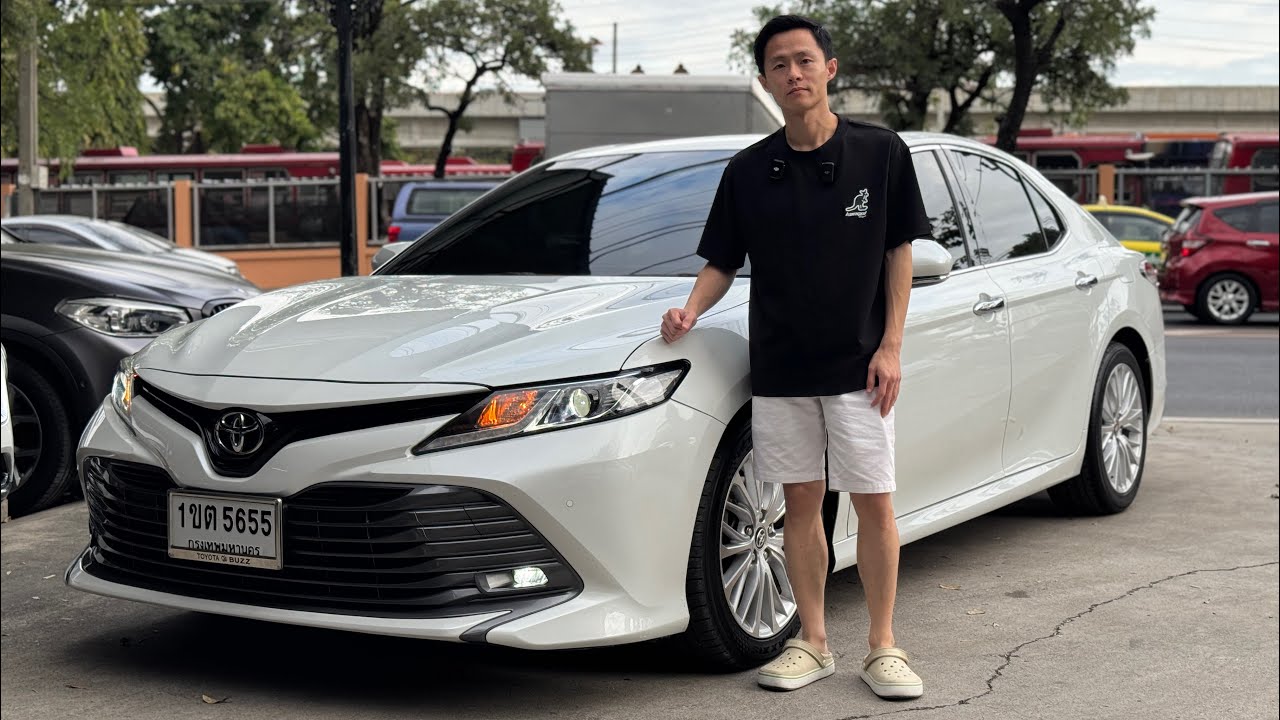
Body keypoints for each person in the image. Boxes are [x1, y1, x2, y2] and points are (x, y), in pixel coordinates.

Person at [660, 14, 931, 700]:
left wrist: (893, 345)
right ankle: (811, 641)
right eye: (779, 65)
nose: (794, 74)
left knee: (875, 503)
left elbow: (901, 252)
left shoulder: (880, 153)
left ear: (830, 69)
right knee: (800, 506)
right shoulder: (750, 171)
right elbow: (723, 259)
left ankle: (883, 647)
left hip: (862, 366)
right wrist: (691, 309)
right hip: (781, 367)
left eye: (805, 60)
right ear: (766, 80)